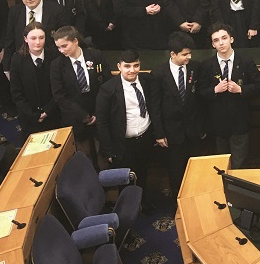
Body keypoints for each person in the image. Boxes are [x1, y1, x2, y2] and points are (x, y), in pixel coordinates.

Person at [198, 23, 260, 169]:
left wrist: (240, 89)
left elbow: (259, 85)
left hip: (240, 122)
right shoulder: (207, 65)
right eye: (216, 40)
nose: (221, 43)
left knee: (240, 164)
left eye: (224, 38)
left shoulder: (245, 60)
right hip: (217, 125)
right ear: (212, 44)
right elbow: (200, 92)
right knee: (222, 165)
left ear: (231, 39)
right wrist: (215, 89)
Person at [96, 49, 155, 210]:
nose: (132, 70)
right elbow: (102, 122)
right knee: (125, 179)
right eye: (127, 66)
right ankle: (128, 210)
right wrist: (108, 150)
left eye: (136, 66)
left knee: (143, 172)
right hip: (122, 144)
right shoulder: (108, 89)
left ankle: (143, 201)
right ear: (119, 66)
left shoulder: (146, 80)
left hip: (144, 137)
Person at [148, 32, 205, 195]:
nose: (189, 57)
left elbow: (198, 99)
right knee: (176, 172)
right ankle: (178, 202)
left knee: (195, 169)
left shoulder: (195, 67)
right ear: (173, 54)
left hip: (193, 131)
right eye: (184, 54)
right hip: (171, 134)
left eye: (190, 53)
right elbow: (155, 105)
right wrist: (159, 133)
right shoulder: (158, 73)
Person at [51, 26, 111, 163]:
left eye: (64, 46)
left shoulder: (95, 56)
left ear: (75, 41)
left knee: (103, 153)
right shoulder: (57, 65)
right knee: (84, 156)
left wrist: (98, 111)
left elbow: (106, 85)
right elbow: (59, 96)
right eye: (58, 47)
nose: (62, 50)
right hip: (75, 116)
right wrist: (83, 116)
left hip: (99, 112)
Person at [3, 0, 70, 71]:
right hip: (23, 64)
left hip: (52, 64)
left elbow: (65, 39)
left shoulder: (57, 10)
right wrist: (6, 67)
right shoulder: (15, 12)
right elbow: (9, 40)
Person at [10, 22, 60, 138]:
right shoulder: (17, 60)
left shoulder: (55, 56)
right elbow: (17, 93)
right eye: (33, 38)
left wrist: (48, 110)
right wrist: (32, 115)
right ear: (25, 39)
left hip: (54, 113)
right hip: (29, 117)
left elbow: (59, 88)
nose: (38, 42)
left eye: (41, 38)